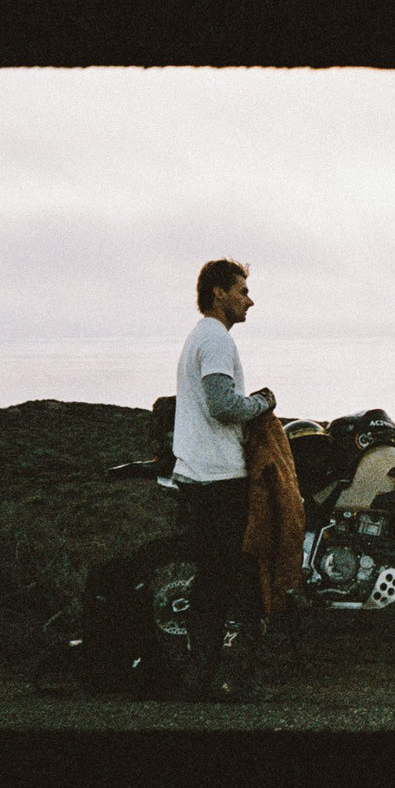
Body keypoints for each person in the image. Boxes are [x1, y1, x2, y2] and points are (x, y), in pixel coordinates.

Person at [171, 258, 276, 702]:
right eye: (242, 290)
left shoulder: (204, 336)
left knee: (216, 578)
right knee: (227, 580)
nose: (249, 299)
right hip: (218, 478)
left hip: (202, 474)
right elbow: (221, 404)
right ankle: (216, 682)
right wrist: (262, 403)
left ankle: (206, 677)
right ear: (218, 294)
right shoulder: (214, 338)